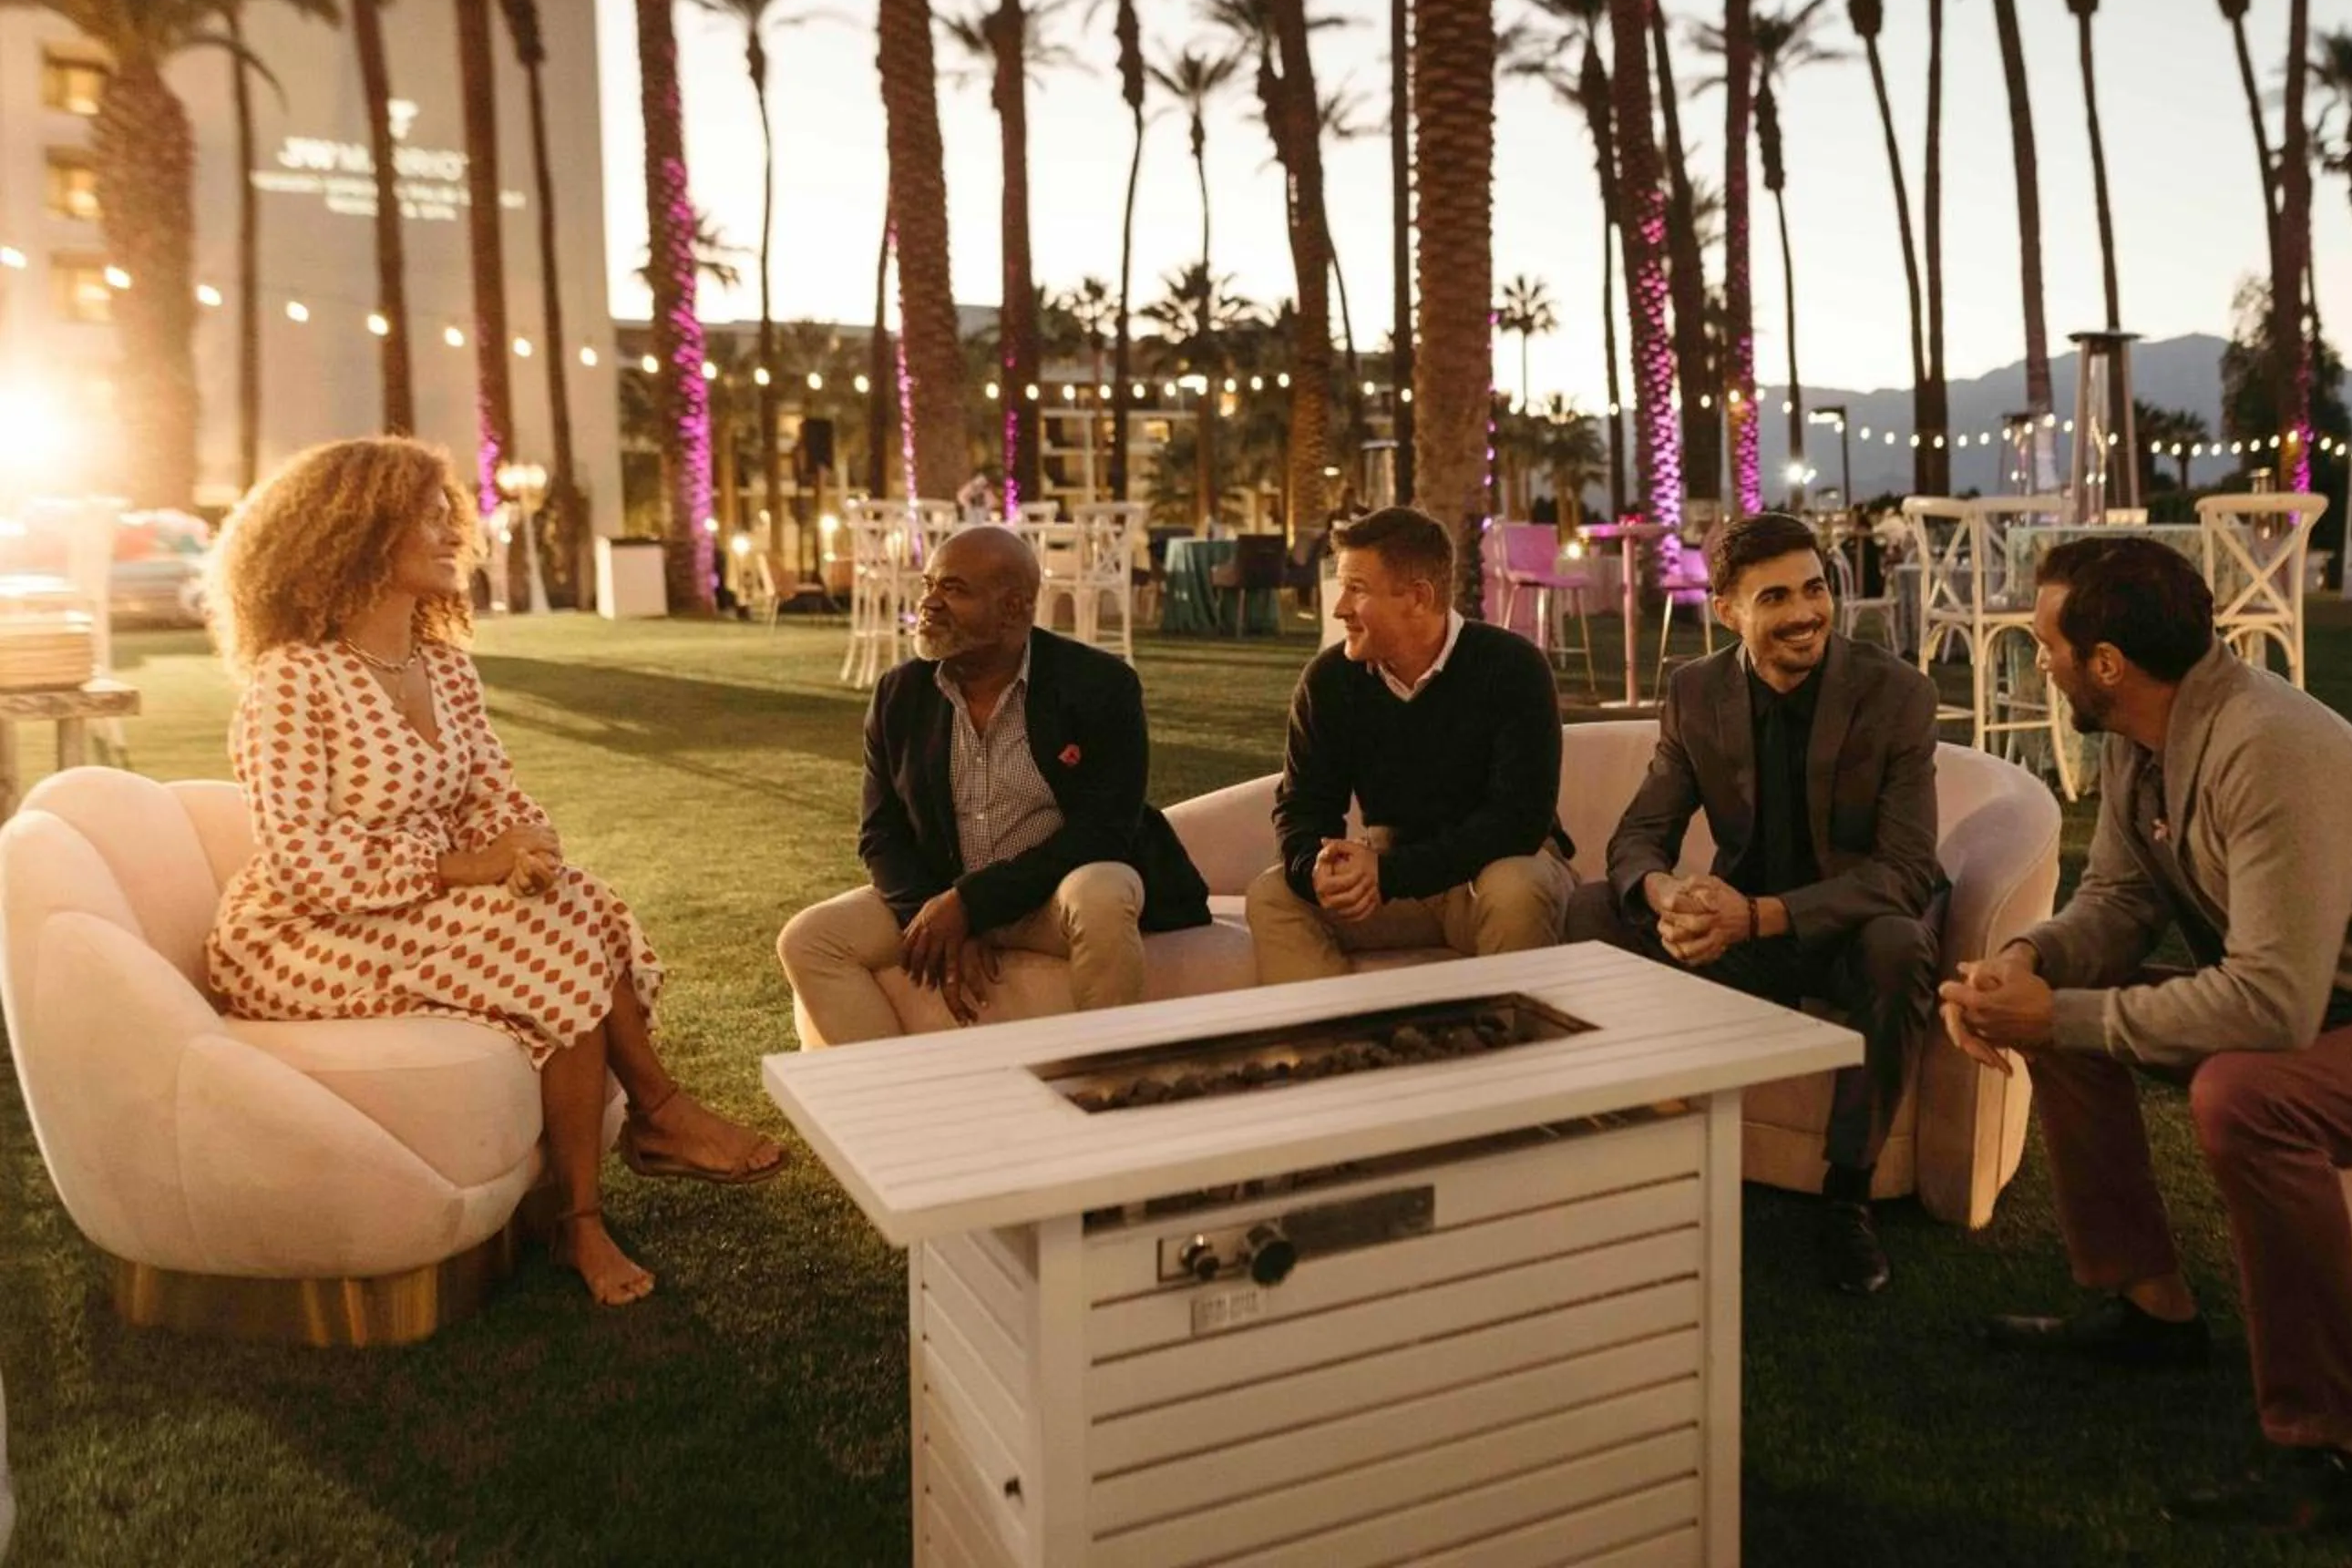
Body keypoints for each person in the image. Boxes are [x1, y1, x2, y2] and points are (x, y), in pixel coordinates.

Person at [1940, 537, 2352, 1533]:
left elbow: (2271, 1007)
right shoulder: (2140, 738)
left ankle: (2338, 1447)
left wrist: (2060, 1011)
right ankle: (2150, 1309)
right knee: (2081, 1014)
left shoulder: (2269, 745)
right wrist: (2033, 962)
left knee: (2243, 1090)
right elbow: (2118, 897)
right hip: (2344, 1015)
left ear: (2107, 661)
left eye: (2047, 644)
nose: (2041, 662)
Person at [204, 438, 783, 1309]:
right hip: (302, 934)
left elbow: (492, 792)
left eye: (450, 513)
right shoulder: (292, 682)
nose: (453, 531)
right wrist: (467, 867)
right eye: (428, 515)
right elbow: (301, 857)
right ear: (354, 533)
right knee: (557, 937)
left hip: (415, 912)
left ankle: (591, 1203)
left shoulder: (443, 667)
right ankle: (638, 1142)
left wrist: (527, 846)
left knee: (570, 899)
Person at [1579, 511, 1944, 1294]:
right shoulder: (1695, 691)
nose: (1805, 613)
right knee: (1589, 914)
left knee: (1900, 944)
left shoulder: (1896, 694)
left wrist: (1760, 915)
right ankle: (1614, 1150)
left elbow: (1908, 871)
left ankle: (1847, 1195)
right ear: (1728, 612)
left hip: (1846, 931)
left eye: (1814, 589)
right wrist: (1669, 894)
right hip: (1740, 940)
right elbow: (1637, 836)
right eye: (1775, 598)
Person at [777, 526, 1209, 1038]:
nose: (929, 603)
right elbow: (881, 832)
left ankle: (1108, 1080)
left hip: (1049, 898)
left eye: (953, 589)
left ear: (1013, 608)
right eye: (928, 585)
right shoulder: (901, 693)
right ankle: (892, 1100)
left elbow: (1104, 830)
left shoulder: (1098, 685)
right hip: (942, 892)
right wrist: (939, 915)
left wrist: (974, 903)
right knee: (810, 939)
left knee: (1103, 892)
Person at [1247, 507, 1575, 979]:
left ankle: (1515, 1046)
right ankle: (1337, 1047)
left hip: (1490, 872)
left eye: (1356, 589)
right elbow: (1302, 808)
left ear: (1418, 598)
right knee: (1274, 894)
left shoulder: (1511, 667)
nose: (1339, 608)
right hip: (1393, 882)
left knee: (1515, 887)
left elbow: (1517, 822)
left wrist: (1390, 873)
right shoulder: (1330, 680)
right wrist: (1314, 869)